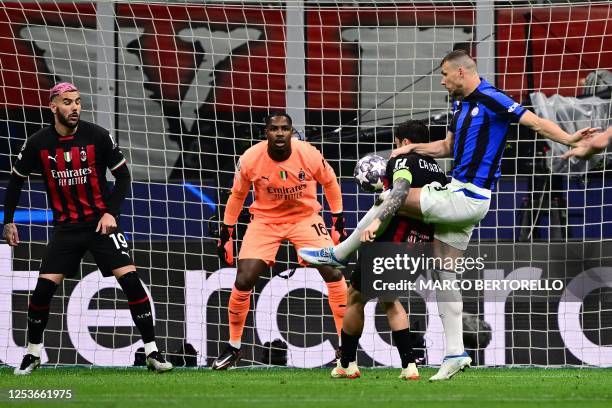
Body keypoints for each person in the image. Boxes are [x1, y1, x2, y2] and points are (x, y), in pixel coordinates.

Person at [300, 50, 601, 381]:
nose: (441, 81)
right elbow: (446, 147)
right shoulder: (459, 108)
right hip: (461, 199)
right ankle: (456, 352)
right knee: (445, 275)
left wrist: (569, 138)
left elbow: (536, 122)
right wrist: (409, 149)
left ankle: (340, 253)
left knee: (390, 196)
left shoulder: (492, 97)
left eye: (445, 74)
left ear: (461, 72)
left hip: (467, 196)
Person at [3, 82, 172, 375]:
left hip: (100, 225)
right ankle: (32, 353)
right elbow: (15, 180)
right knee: (42, 290)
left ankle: (152, 351)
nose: (75, 107)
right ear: (53, 106)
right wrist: (8, 220)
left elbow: (123, 178)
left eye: (78, 101)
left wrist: (110, 213)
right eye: (67, 102)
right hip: (66, 229)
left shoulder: (97, 136)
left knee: (131, 281)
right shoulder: (38, 143)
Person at [212, 112, 348, 370]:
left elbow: (330, 182)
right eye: (274, 129)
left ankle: (345, 347)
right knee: (244, 278)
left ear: (291, 132)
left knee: (333, 271)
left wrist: (337, 221)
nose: (280, 133)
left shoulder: (308, 153)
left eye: (285, 128)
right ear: (266, 133)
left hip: (305, 218)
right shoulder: (251, 158)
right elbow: (238, 195)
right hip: (265, 220)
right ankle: (233, 347)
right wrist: (226, 233)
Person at [330, 120, 448, 381]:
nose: (394, 150)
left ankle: (347, 363)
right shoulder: (439, 172)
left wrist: (376, 220)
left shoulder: (402, 161)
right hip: (420, 247)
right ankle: (410, 366)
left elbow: (400, 191)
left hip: (391, 242)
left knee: (355, 297)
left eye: (395, 144)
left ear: (405, 143)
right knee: (388, 299)